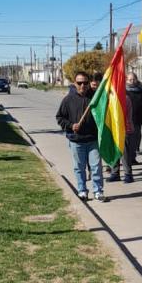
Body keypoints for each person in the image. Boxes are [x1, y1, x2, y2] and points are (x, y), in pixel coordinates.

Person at [56, 71, 109, 202]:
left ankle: (98, 191)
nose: (83, 85)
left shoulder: (95, 98)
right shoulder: (68, 100)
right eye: (79, 83)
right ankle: (82, 191)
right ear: (75, 83)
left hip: (93, 140)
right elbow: (60, 117)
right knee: (79, 168)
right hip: (76, 141)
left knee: (96, 167)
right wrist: (70, 125)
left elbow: (106, 107)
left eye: (85, 83)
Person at [110, 72, 142, 183]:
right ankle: (115, 173)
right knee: (115, 150)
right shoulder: (121, 94)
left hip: (133, 123)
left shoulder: (140, 92)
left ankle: (128, 173)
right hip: (117, 126)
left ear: (136, 80)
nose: (131, 81)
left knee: (127, 151)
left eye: (133, 79)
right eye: (129, 79)